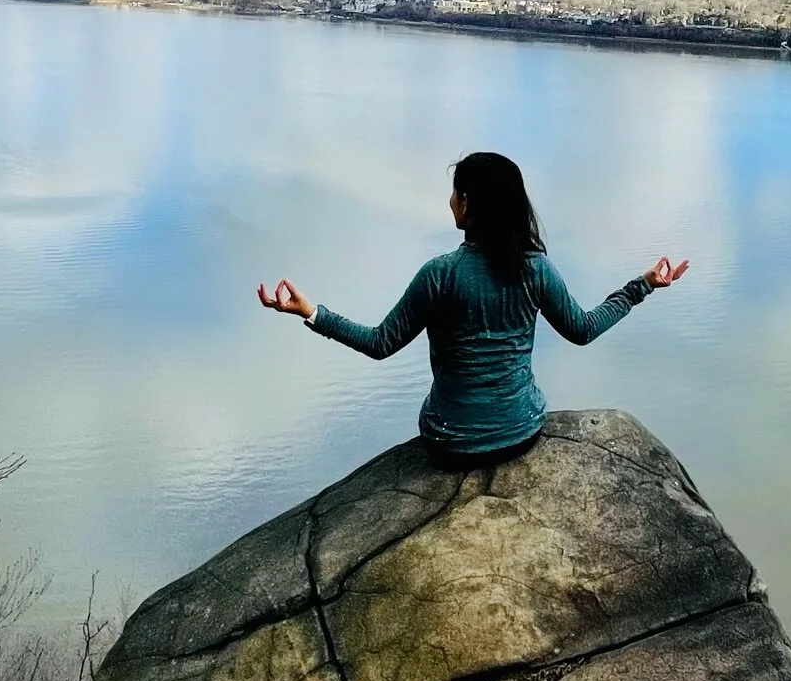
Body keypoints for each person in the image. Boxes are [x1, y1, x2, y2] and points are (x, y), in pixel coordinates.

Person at [257, 150, 688, 466]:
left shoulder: (440, 274)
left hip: (451, 443)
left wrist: (311, 312)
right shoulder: (536, 269)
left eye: (455, 194)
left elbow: (379, 343)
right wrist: (642, 286)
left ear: (468, 203)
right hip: (521, 433)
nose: (450, 202)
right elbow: (582, 329)